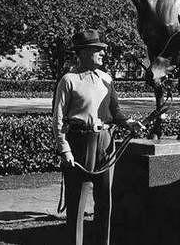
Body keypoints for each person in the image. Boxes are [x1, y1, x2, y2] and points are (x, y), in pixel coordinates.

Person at [53, 29, 144, 245]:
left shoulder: (106, 79)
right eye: (97, 50)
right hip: (79, 143)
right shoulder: (69, 80)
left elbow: (116, 111)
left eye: (102, 49)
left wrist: (129, 123)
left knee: (105, 201)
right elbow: (57, 119)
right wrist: (64, 149)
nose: (103, 53)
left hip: (105, 142)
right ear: (83, 53)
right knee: (77, 202)